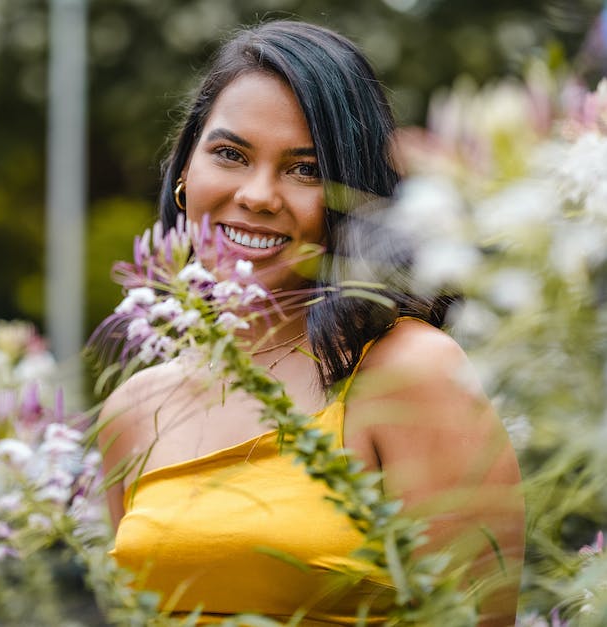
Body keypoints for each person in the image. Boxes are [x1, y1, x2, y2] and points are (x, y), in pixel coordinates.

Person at [97, 20, 525, 625]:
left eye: (304, 169)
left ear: (352, 194)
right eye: (230, 154)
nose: (259, 194)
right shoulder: (133, 410)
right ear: (185, 169)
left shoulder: (409, 372)